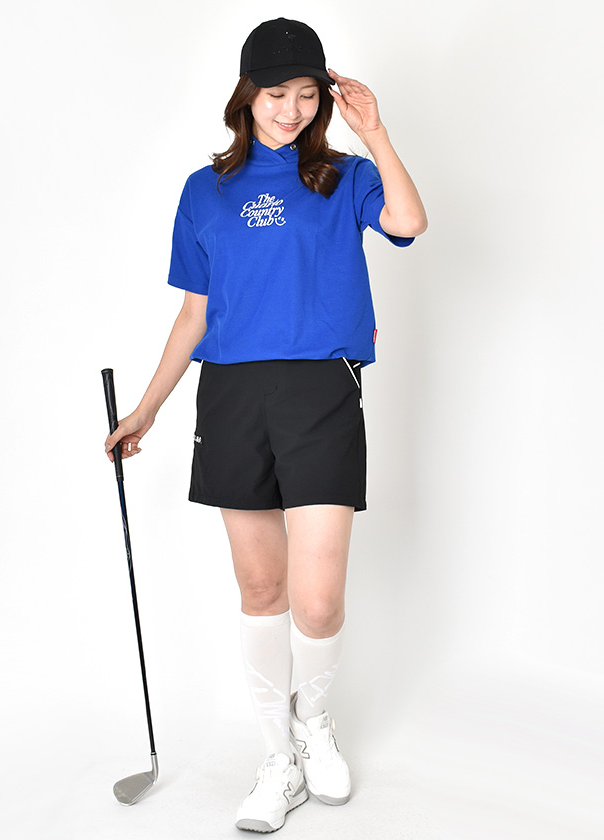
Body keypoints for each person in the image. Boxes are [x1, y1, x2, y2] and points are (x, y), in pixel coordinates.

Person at [104, 17, 427, 834]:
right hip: (232, 396)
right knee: (261, 590)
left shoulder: (345, 176)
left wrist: (375, 133)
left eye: (307, 94)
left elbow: (410, 222)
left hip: (322, 390)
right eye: (277, 92)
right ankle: (278, 757)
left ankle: (314, 724)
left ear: (324, 99)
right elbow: (194, 314)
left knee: (317, 600)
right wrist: (147, 407)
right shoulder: (203, 191)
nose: (291, 109)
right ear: (247, 95)